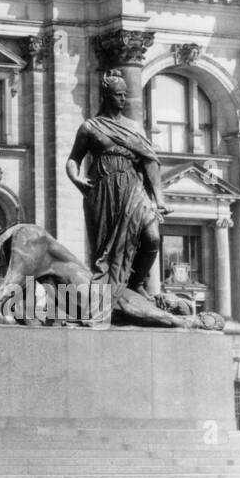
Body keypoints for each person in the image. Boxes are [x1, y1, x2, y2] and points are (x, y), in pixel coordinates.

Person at [65, 70, 168, 304]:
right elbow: (73, 159)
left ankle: (137, 282)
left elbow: (150, 162)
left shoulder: (134, 127)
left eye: (124, 94)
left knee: (152, 238)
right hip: (103, 191)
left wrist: (160, 200)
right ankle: (108, 295)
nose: (123, 99)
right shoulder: (90, 127)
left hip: (133, 188)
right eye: (118, 95)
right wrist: (76, 178)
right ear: (106, 96)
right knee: (106, 248)